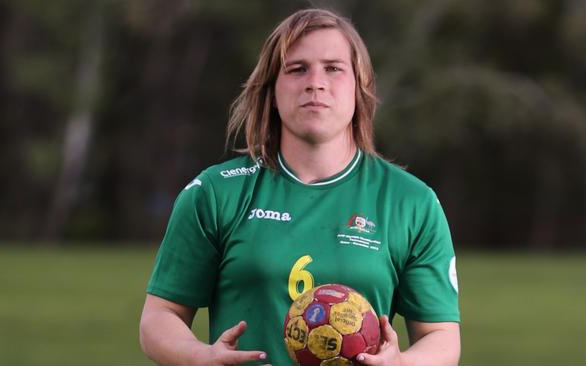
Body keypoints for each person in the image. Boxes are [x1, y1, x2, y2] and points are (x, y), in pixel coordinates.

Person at [139, 8, 460, 366]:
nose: (315, 82)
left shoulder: (412, 203)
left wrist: (401, 363)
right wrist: (200, 355)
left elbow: (441, 337)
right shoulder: (215, 193)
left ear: (360, 86)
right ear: (272, 90)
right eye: (297, 69)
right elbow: (159, 316)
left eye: (334, 68)